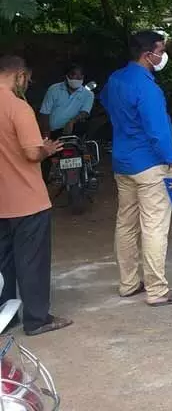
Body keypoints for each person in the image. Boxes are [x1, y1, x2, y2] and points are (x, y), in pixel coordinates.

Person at [101, 30, 172, 307]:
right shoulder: (148, 88)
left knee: (126, 223)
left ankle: (129, 283)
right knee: (154, 226)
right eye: (161, 49)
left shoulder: (115, 79)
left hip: (122, 162)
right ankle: (157, 290)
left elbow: (105, 103)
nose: (163, 55)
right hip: (151, 164)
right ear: (147, 54)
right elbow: (158, 133)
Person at [0, 56, 73, 336]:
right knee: (32, 262)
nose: (27, 85)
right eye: (27, 80)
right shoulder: (19, 108)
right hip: (28, 200)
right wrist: (47, 149)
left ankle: (6, 317)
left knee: (3, 262)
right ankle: (37, 319)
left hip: (2, 202)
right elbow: (31, 153)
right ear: (19, 75)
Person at [39, 63, 95, 182]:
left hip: (75, 130)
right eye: (73, 75)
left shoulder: (88, 94)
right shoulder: (54, 90)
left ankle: (88, 171)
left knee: (85, 149)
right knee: (45, 158)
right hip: (54, 131)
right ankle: (42, 185)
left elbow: (85, 112)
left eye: (80, 77)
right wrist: (46, 134)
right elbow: (44, 113)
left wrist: (72, 122)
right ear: (66, 76)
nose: (76, 79)